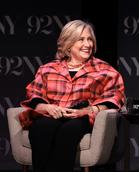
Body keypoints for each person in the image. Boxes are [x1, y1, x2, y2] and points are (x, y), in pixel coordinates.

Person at [18, 20, 125, 172]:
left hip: (82, 118)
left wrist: (88, 110)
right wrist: (47, 107)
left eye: (90, 39)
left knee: (68, 131)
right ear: (68, 43)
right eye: (81, 39)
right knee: (41, 128)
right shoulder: (48, 69)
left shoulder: (105, 70)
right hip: (52, 115)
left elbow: (116, 97)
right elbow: (34, 94)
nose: (87, 44)